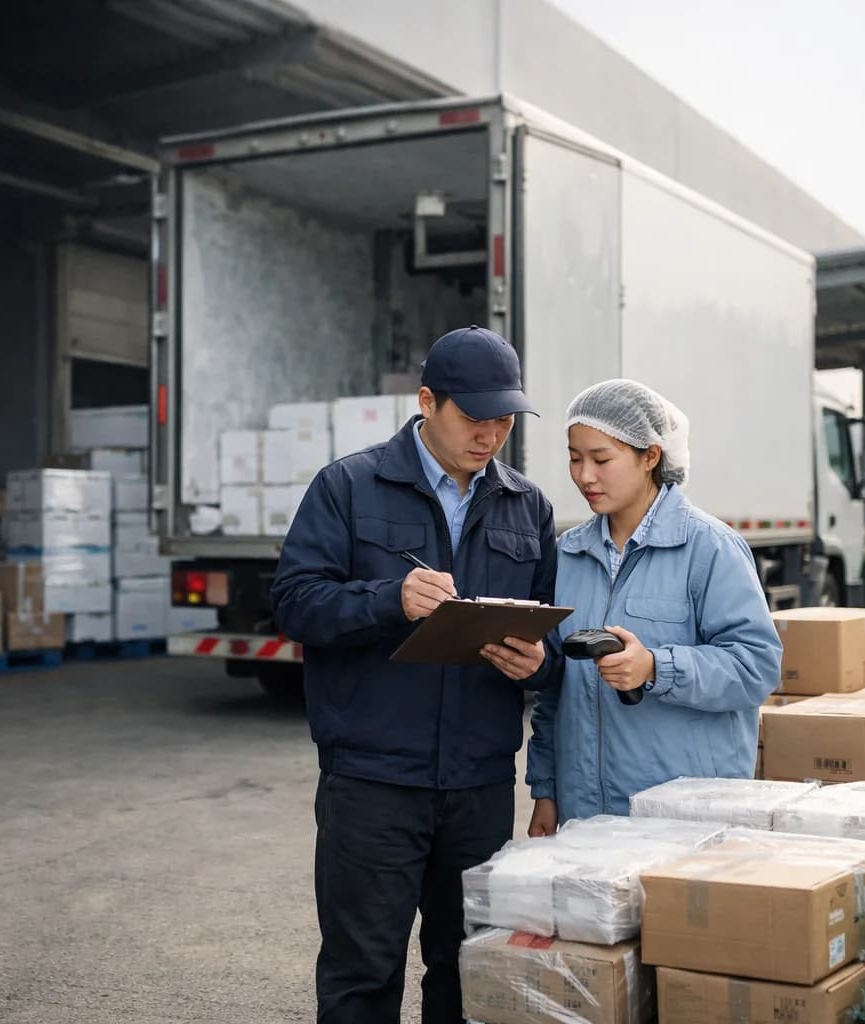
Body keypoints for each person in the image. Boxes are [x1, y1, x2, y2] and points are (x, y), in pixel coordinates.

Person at [271, 326, 564, 1024]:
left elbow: (548, 638)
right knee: (362, 972)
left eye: (504, 419)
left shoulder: (528, 506)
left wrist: (539, 663)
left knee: (467, 968)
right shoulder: (349, 485)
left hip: (479, 786)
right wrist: (387, 599)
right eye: (474, 417)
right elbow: (292, 602)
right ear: (427, 401)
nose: (490, 434)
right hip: (373, 782)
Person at [525, 379, 782, 834]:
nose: (585, 475)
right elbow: (555, 691)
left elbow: (756, 668)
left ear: (651, 457)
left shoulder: (709, 549)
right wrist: (546, 789)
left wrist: (655, 668)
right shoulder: (567, 556)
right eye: (574, 457)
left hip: (684, 819)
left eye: (602, 459)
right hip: (586, 817)